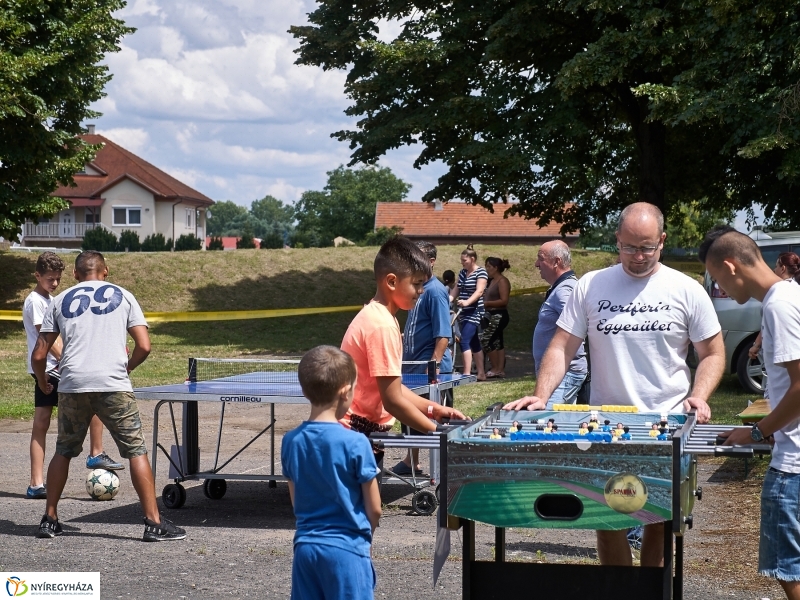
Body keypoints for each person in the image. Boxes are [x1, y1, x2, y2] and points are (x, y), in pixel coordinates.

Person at [504, 202, 725, 569]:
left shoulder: (686, 290)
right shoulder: (591, 285)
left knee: (658, 520)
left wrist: (698, 396)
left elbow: (714, 353)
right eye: (629, 247)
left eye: (647, 247)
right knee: (608, 522)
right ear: (616, 240)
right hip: (605, 426)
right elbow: (561, 345)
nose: (638, 256)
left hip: (665, 425)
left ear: (662, 241)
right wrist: (541, 395)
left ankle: (651, 592)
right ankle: (620, 591)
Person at [32, 251, 185, 542]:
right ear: (106, 271)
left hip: (73, 384)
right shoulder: (124, 296)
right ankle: (154, 523)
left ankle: (49, 519)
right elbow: (145, 346)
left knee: (63, 450)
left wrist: (43, 381)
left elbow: (39, 354)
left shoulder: (60, 300)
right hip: (113, 383)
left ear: (76, 274)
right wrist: (127, 367)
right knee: (135, 451)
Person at [700, 226, 800, 600]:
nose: (722, 289)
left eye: (718, 279)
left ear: (731, 266)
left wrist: (757, 432)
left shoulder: (779, 304)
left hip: (793, 467)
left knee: (789, 570)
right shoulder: (790, 295)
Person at [340, 237, 468, 472]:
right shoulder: (382, 326)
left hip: (359, 436)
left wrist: (434, 410)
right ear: (391, 281)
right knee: (364, 510)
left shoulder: (380, 316)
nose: (421, 291)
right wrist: (438, 432)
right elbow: (393, 402)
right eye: (417, 284)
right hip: (353, 438)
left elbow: (394, 390)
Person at [281, 346, 381, 600]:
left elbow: (297, 503)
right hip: (347, 550)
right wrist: (365, 537)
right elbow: (375, 508)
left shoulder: (290, 441)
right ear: (345, 391)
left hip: (305, 549)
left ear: (304, 391)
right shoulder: (357, 443)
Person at [23, 252, 122, 500]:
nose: (54, 283)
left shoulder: (52, 299)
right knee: (44, 424)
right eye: (49, 279)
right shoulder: (36, 301)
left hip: (60, 369)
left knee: (85, 406)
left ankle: (94, 453)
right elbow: (47, 339)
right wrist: (71, 359)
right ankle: (38, 482)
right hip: (50, 370)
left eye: (57, 279)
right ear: (37, 276)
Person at [396, 241, 453, 476]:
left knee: (435, 416)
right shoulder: (417, 289)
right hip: (412, 366)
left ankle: (443, 469)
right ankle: (412, 461)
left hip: (429, 369)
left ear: (431, 262)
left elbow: (443, 335)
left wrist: (434, 365)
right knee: (409, 415)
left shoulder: (436, 291)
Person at [532, 241, 588, 406]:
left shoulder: (565, 290)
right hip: (561, 374)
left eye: (540, 259)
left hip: (564, 374)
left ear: (556, 262)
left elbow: (579, 325)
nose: (536, 264)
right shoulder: (563, 287)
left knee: (547, 424)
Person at [748, 252, 800, 361]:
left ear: (783, 269)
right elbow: (768, 323)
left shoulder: (781, 297)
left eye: (776, 266)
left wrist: (756, 345)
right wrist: (757, 344)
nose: (774, 270)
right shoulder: (793, 288)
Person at [450, 245, 488, 381]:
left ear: (472, 259)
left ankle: (466, 374)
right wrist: (449, 299)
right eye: (461, 261)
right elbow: (457, 289)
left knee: (464, 340)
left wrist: (467, 302)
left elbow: (479, 291)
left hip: (475, 311)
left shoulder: (481, 272)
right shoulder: (462, 272)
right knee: (474, 342)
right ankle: (481, 373)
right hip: (464, 312)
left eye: (465, 261)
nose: (462, 263)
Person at [481, 257, 511, 378]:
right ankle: (499, 369)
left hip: (499, 315)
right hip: (490, 315)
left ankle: (495, 368)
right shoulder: (491, 280)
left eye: (489, 266)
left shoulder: (502, 281)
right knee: (498, 342)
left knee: (486, 340)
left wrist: (487, 304)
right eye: (486, 266)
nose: (486, 269)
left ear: (496, 268)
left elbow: (504, 301)